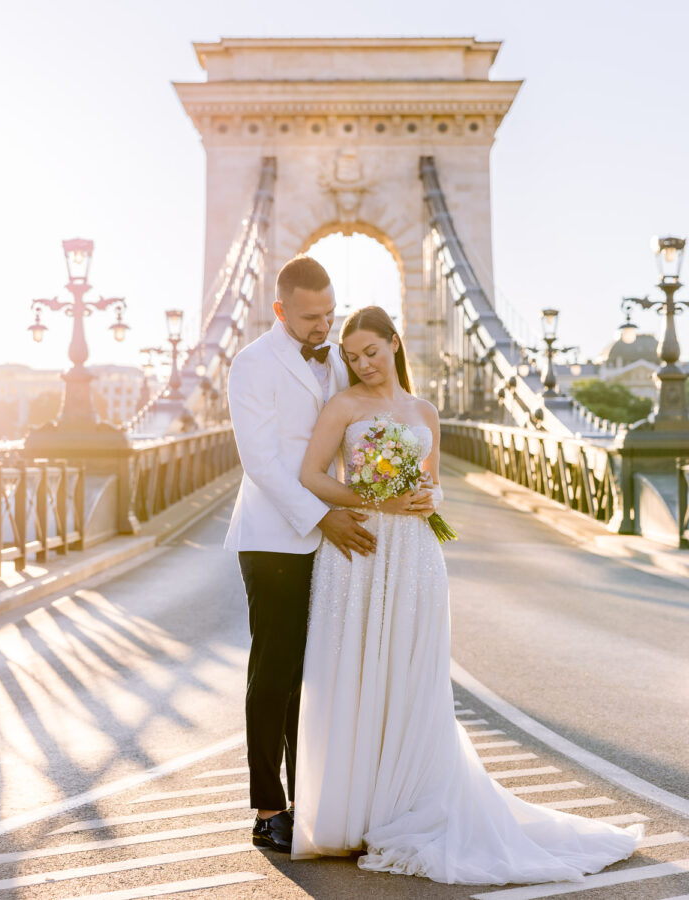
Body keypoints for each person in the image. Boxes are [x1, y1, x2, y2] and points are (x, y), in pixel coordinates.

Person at [292, 305, 642, 884]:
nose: (362, 364)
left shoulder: (424, 410)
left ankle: (402, 801)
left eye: (371, 352)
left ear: (395, 344)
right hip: (359, 546)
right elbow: (311, 475)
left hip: (415, 554)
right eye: (352, 357)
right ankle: (350, 811)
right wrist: (374, 499)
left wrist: (429, 499)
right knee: (354, 668)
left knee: (409, 674)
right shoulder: (343, 406)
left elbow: (434, 486)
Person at [225, 260, 431, 853]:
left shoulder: (340, 356)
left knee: (326, 676)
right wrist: (323, 516)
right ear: (280, 310)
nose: (325, 326)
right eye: (312, 317)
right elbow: (261, 462)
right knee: (276, 672)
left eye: (330, 314)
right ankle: (268, 808)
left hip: (345, 540)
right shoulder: (252, 365)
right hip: (276, 537)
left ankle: (317, 799)